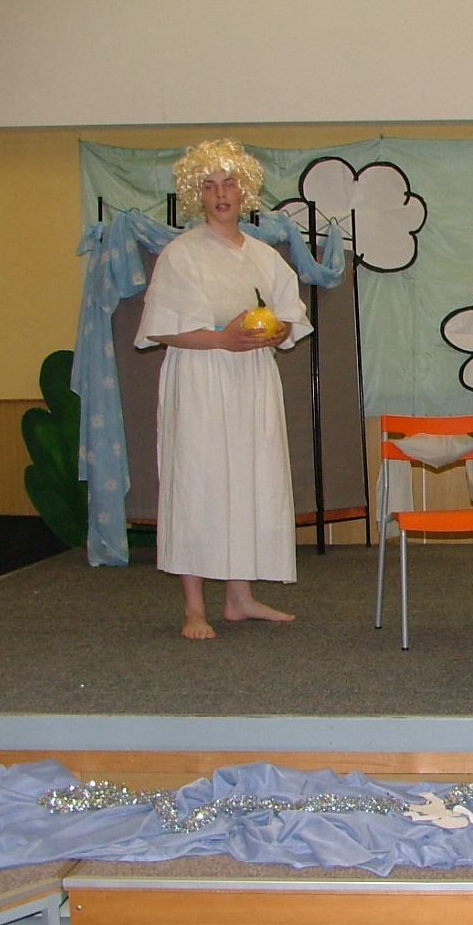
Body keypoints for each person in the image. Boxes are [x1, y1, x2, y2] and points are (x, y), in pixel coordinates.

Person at [135, 139, 312, 639]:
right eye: (209, 186)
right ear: (198, 195)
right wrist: (222, 340)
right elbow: (162, 329)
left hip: (251, 378)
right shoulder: (181, 254)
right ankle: (194, 606)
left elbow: (289, 315)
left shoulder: (263, 256)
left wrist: (277, 331)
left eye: (229, 184)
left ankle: (240, 597)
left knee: (250, 478)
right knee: (198, 480)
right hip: (200, 377)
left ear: (244, 191)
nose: (220, 194)